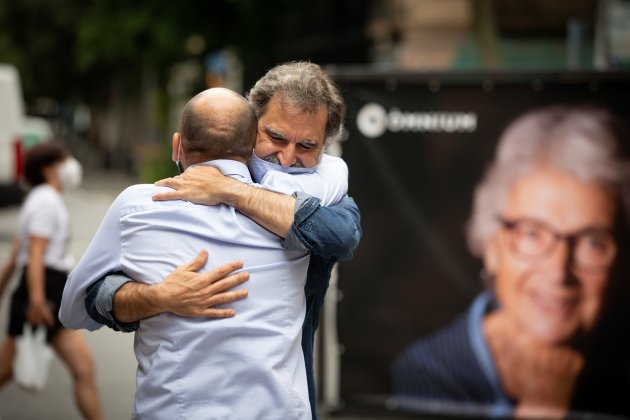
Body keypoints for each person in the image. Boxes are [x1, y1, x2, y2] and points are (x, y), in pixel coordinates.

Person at [64, 61, 361, 419]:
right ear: (249, 129)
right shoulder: (146, 205)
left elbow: (340, 235)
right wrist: (158, 296)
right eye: (277, 138)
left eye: (307, 146)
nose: (286, 158)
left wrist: (229, 189)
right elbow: (90, 297)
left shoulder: (322, 195)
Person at [391, 105, 630, 419]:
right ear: (492, 245)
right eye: (532, 234)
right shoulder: (427, 374)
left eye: (592, 242)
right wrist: (543, 408)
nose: (559, 272)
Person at [0, 142, 104, 420]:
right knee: (81, 368)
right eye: (64, 160)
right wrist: (35, 300)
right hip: (43, 292)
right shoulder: (46, 200)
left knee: (82, 368)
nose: (70, 166)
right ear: (49, 169)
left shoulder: (40, 198)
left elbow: (16, 254)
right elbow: (34, 254)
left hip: (44, 290)